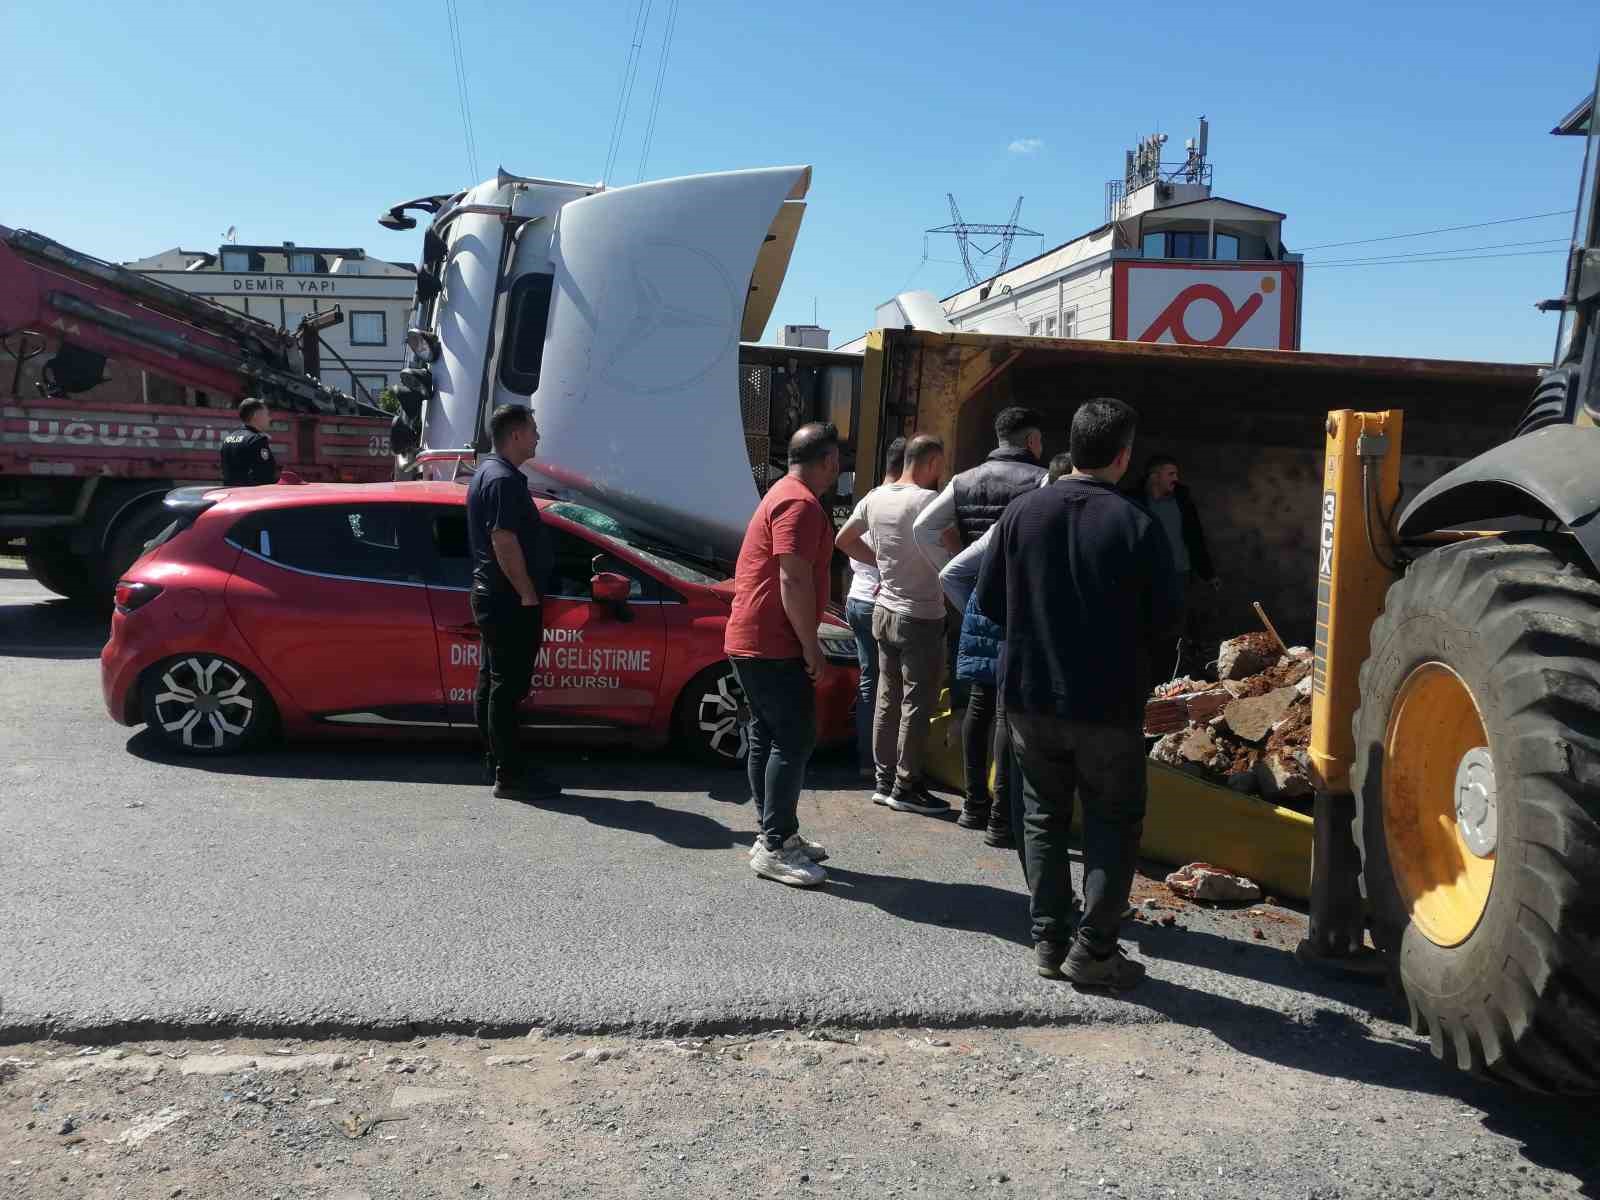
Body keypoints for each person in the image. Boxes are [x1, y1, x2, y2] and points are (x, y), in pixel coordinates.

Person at [976, 397, 1181, 989]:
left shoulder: (1021, 514)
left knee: (1040, 816)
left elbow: (989, 603)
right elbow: (1166, 623)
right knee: (1112, 822)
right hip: (1107, 705)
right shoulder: (1137, 524)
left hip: (1028, 698)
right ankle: (1093, 948)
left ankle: (1049, 940)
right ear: (1123, 455)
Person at [726, 422, 850, 887]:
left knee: (768, 736)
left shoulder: (783, 492)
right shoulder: (798, 503)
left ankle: (775, 832)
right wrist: (810, 645)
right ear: (830, 462)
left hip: (756, 639)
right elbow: (792, 579)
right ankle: (776, 844)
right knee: (795, 739)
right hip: (772, 643)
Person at [836, 433, 951, 816]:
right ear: (932, 463)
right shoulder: (931, 503)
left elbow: (844, 539)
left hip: (883, 608)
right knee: (916, 702)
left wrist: (880, 563)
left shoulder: (874, 497)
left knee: (887, 696)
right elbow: (955, 554)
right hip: (921, 614)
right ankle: (907, 784)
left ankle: (884, 781)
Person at [467, 404, 559, 802]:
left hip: (493, 596)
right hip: (508, 599)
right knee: (506, 689)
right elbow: (504, 540)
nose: (538, 437)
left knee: (492, 683)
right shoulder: (502, 479)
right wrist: (526, 592)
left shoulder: (491, 473)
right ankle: (510, 775)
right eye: (534, 430)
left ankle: (498, 760)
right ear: (517, 434)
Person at [939, 523, 1016, 850]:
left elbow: (951, 573)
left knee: (981, 706)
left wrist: (974, 607)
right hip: (1012, 622)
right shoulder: (1041, 521)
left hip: (983, 618)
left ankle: (974, 805)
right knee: (1003, 717)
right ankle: (1000, 817)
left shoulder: (1004, 524)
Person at [842, 437, 908, 779]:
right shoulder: (898, 503)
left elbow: (845, 540)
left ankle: (867, 759)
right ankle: (882, 760)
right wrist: (883, 564)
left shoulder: (869, 500)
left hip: (857, 599)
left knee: (871, 679)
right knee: (890, 684)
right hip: (879, 601)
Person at [1132, 454, 1219, 684]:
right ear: (1154, 476)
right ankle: (1150, 676)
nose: (1176, 479)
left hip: (1180, 573)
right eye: (1171, 474)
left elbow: (1195, 537)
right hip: (1148, 577)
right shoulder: (1134, 501)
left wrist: (1208, 573)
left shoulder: (1181, 499)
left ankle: (1178, 676)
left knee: (1179, 626)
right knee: (1149, 626)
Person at [220, 398, 279, 486]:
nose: (269, 418)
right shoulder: (256, 440)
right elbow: (265, 475)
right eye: (267, 414)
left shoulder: (228, 439)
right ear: (256, 415)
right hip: (251, 496)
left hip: (231, 495)